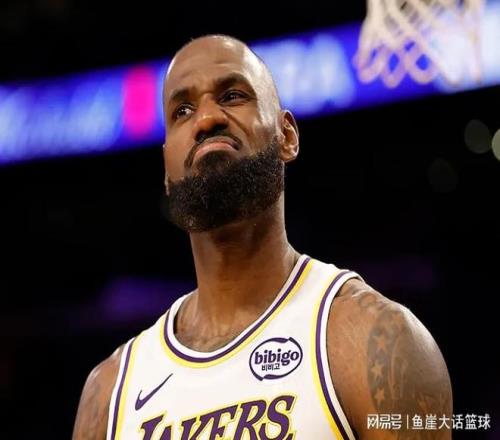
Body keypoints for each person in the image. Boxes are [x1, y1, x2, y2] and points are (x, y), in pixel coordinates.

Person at [73, 34, 452, 440]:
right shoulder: (110, 393)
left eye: (233, 96)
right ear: (167, 169)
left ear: (286, 136)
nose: (206, 119)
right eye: (182, 110)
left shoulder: (374, 340)